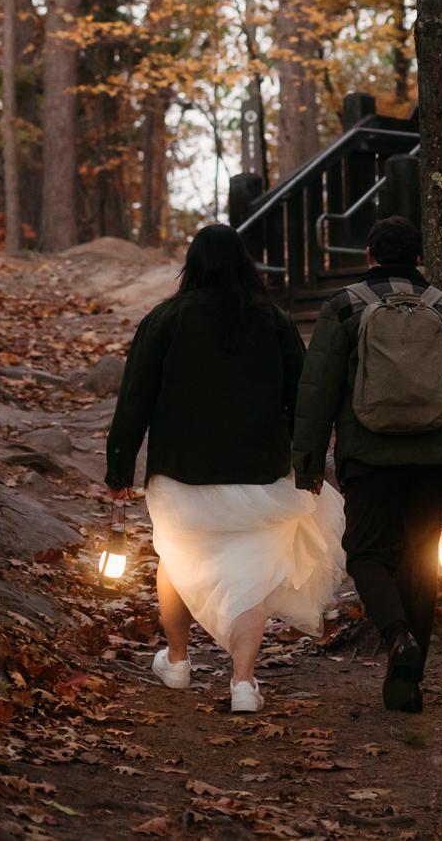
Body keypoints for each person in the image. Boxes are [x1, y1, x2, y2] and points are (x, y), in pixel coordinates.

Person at [106, 224, 346, 713]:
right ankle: (242, 683)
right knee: (249, 578)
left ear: (191, 266)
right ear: (244, 266)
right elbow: (303, 399)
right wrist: (309, 464)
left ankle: (176, 662)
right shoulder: (273, 322)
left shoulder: (164, 320)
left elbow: (135, 401)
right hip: (260, 478)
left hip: (180, 476)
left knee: (174, 561)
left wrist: (119, 470)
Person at [291, 215, 442, 713]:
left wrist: (309, 466)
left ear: (369, 256)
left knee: (366, 552)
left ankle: (398, 638)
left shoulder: (342, 308)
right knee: (421, 561)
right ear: (418, 257)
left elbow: (317, 393)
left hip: (369, 453)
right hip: (437, 456)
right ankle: (407, 686)